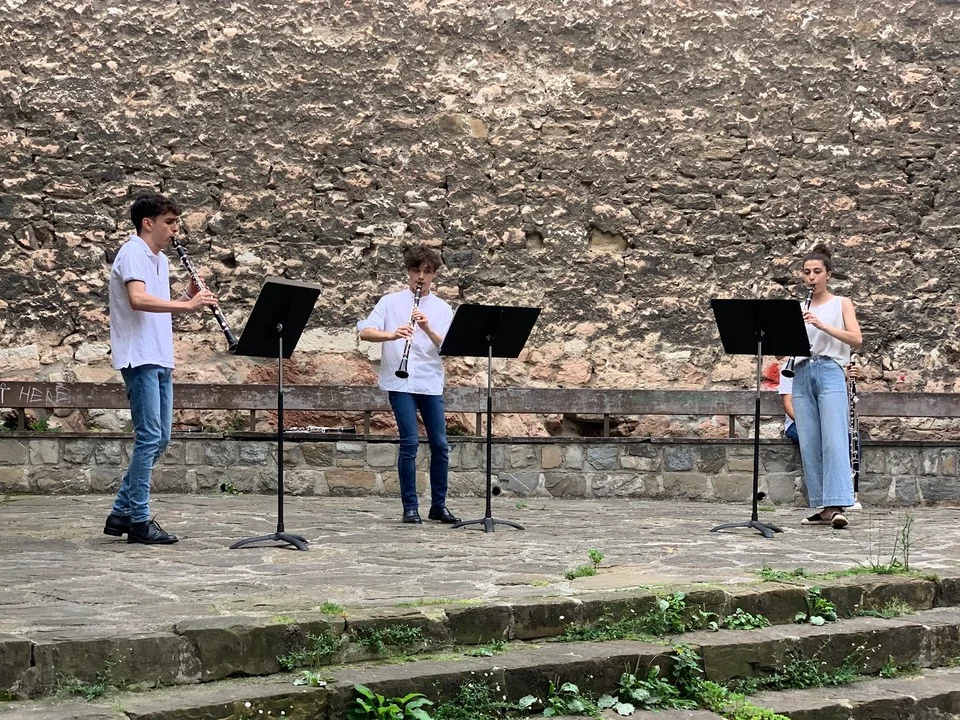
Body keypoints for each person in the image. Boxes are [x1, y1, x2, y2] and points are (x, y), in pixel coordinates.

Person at [103, 193, 219, 544]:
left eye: (176, 222)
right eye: (169, 222)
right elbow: (138, 300)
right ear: (148, 223)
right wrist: (189, 306)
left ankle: (120, 513)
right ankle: (138, 521)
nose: (175, 229)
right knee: (149, 437)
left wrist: (186, 296)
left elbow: (161, 307)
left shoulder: (161, 260)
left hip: (160, 356)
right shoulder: (132, 252)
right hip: (139, 357)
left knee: (162, 438)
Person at [357, 245, 459, 525]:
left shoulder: (442, 308)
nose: (421, 277)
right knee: (410, 443)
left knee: (440, 445)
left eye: (427, 271)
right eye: (416, 270)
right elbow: (365, 331)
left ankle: (438, 506)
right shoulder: (390, 302)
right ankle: (410, 507)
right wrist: (392, 335)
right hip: (399, 382)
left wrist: (426, 328)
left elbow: (448, 348)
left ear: (434, 275)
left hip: (429, 382)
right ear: (408, 272)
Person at [791, 244, 862, 529]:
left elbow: (856, 339)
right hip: (801, 372)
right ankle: (823, 507)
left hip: (830, 370)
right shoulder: (799, 308)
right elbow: (783, 353)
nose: (811, 277)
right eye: (807, 272)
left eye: (817, 272)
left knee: (834, 438)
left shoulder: (841, 303)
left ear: (828, 274)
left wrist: (822, 325)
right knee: (809, 441)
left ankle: (838, 504)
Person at [778, 363, 799, 444]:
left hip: (822, 424)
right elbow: (788, 405)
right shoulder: (789, 367)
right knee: (812, 437)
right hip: (795, 423)